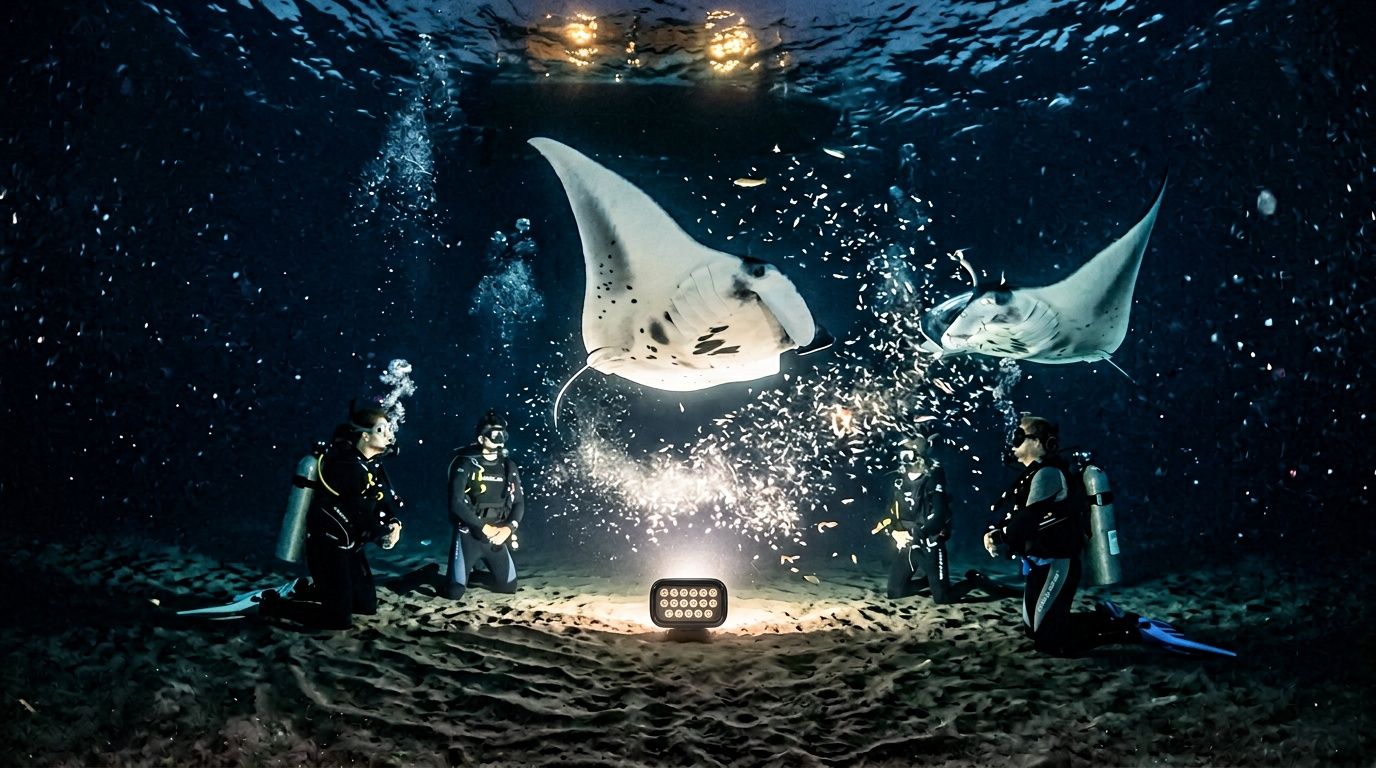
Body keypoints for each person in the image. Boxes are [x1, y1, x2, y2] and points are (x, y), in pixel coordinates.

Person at [983, 414, 1233, 657]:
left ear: (1038, 442)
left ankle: (1130, 631)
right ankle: (1107, 618)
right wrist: (999, 533)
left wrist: (1001, 536)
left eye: (1018, 435)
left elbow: (1026, 520)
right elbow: (1019, 517)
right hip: (1039, 563)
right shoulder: (1033, 474)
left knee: (1048, 641)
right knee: (1034, 630)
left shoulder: (1048, 474)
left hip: (1057, 564)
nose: (1012, 441)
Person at [259, 404, 404, 629]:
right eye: (381, 430)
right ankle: (271, 605)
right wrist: (383, 533)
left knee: (366, 606)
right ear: (364, 436)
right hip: (328, 549)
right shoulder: (346, 467)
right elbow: (359, 511)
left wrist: (394, 522)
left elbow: (381, 497)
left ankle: (311, 589)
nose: (388, 434)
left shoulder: (369, 465)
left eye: (388, 429)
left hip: (351, 546)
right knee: (338, 620)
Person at [883, 434, 983, 603]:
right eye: (903, 449)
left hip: (930, 541)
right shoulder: (897, 479)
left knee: (943, 598)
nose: (904, 455)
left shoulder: (935, 474)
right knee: (895, 591)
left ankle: (976, 580)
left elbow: (939, 514)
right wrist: (894, 533)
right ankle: (928, 581)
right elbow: (888, 514)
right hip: (908, 541)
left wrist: (918, 535)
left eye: (910, 449)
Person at [444, 410, 525, 600]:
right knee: (454, 592)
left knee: (509, 587)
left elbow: (519, 502)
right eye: (493, 434)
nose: (499, 439)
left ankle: (472, 575)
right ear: (481, 438)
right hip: (468, 535)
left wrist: (508, 529)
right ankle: (449, 576)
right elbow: (456, 503)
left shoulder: (509, 466)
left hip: (496, 536)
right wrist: (483, 527)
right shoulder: (465, 463)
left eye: (502, 434)